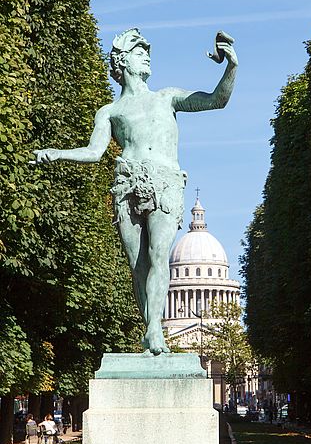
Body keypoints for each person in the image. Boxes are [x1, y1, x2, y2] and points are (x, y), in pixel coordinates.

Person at [31, 28, 237, 354]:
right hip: (126, 185)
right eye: (140, 52)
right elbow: (93, 152)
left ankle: (154, 330)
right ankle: (152, 327)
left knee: (159, 257)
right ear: (123, 61)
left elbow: (217, 100)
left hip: (165, 183)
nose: (148, 57)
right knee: (138, 266)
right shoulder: (110, 112)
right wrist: (57, 153)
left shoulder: (167, 97)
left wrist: (231, 67)